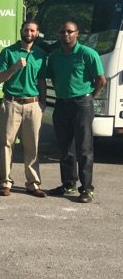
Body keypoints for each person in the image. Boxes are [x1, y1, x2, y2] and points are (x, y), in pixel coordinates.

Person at [46, 20, 106, 203]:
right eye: (63, 32)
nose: (66, 35)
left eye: (70, 31)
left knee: (84, 148)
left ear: (77, 33)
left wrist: (90, 97)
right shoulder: (55, 56)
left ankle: (87, 189)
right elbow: (54, 78)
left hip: (82, 104)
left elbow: (101, 81)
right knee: (65, 148)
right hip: (62, 104)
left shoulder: (88, 54)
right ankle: (68, 184)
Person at [0, 21, 47, 198]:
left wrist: (43, 102)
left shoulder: (40, 55)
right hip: (11, 102)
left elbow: (41, 81)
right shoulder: (8, 52)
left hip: (33, 104)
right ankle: (5, 182)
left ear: (37, 33)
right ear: (21, 31)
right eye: (26, 30)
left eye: (33, 30)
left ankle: (33, 183)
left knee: (32, 145)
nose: (29, 33)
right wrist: (14, 67)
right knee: (6, 144)